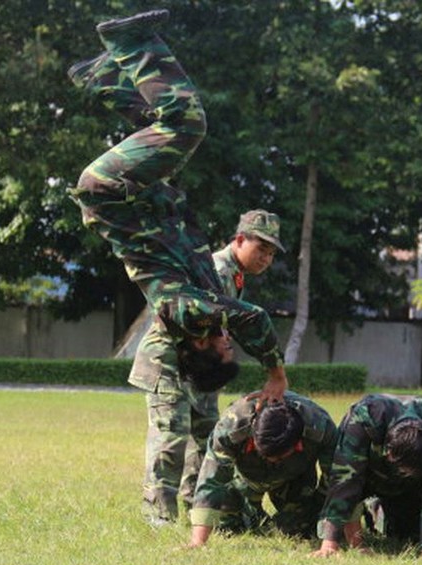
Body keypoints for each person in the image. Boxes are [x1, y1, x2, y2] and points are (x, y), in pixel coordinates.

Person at [67, 7, 288, 487]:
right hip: (138, 196)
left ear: (202, 346)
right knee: (161, 123)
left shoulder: (185, 310)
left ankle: (128, 41)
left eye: (225, 350)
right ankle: (100, 75)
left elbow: (253, 319)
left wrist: (276, 373)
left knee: (187, 124)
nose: (229, 344)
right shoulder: (202, 296)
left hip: (114, 194)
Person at [129, 209, 285, 525]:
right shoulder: (216, 269)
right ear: (239, 240)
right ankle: (158, 515)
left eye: (271, 253)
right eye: (261, 249)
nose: (266, 259)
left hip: (201, 364)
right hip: (170, 358)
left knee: (208, 437)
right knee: (171, 435)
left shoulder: (233, 275)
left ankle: (197, 506)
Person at [312, 394, 422, 560]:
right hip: (370, 474)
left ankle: (383, 513)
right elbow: (346, 480)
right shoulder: (364, 419)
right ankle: (366, 516)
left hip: (412, 488)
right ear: (389, 453)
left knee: (411, 533)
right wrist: (330, 543)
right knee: (314, 525)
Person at [188, 391, 338, 547]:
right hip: (246, 478)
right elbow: (212, 480)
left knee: (301, 530)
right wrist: (198, 541)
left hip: (295, 479)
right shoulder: (232, 426)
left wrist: (325, 527)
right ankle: (249, 510)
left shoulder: (320, 427)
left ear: (298, 444)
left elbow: (336, 481)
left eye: (279, 457)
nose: (272, 461)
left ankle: (291, 514)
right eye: (265, 454)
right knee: (226, 526)